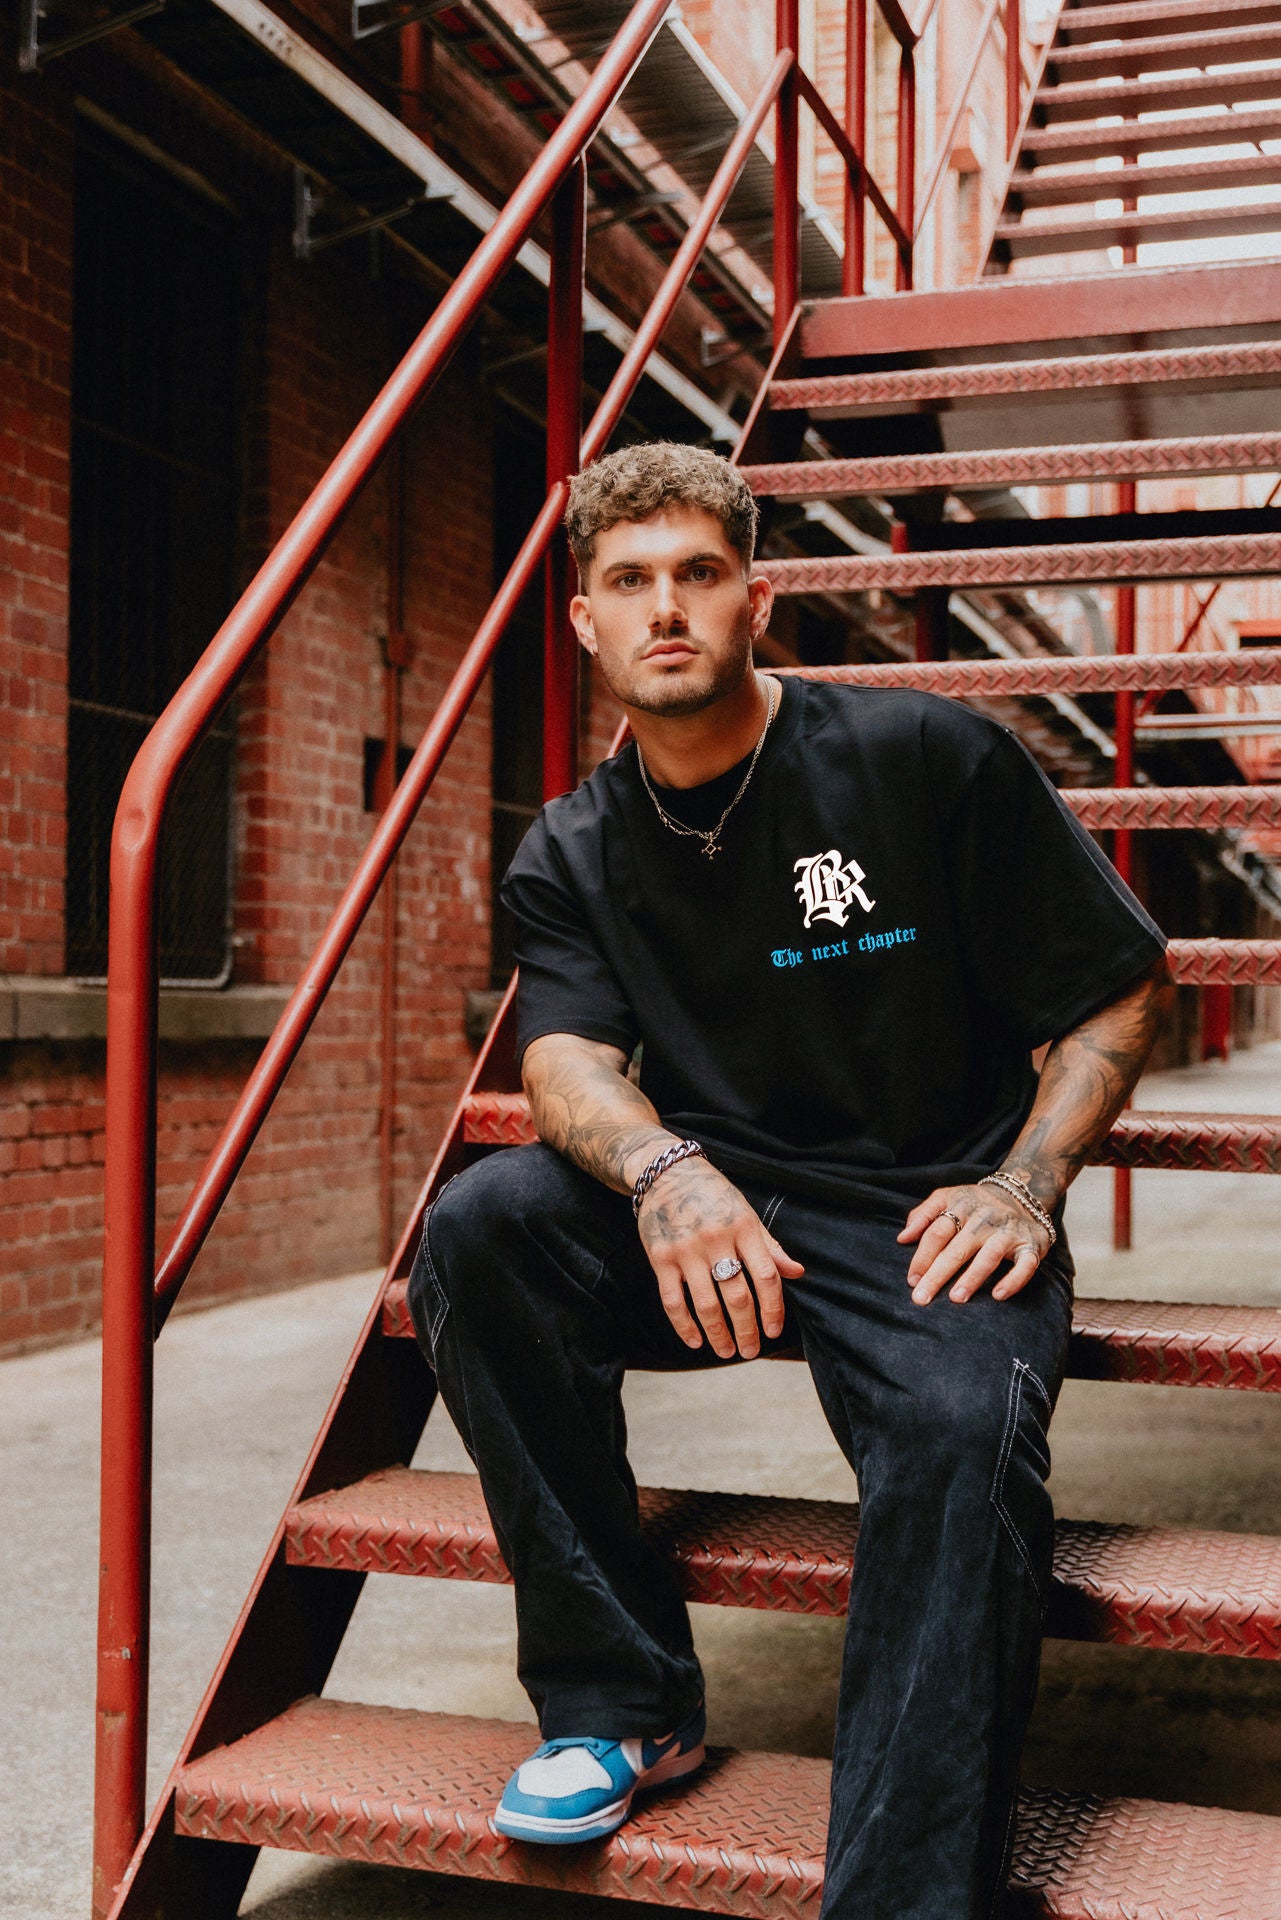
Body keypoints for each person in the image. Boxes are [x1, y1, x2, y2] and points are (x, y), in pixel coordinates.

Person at [407, 441, 1171, 1918]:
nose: (665, 608)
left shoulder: (917, 758)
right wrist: (661, 1167)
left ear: (756, 599)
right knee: (482, 1228)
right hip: (722, 1209)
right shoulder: (568, 848)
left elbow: (1120, 987)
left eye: (697, 574)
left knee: (957, 1434)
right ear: (583, 622)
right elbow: (563, 1064)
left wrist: (1026, 1184)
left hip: (934, 1203)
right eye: (629, 583)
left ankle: (897, 1896)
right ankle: (617, 1700)